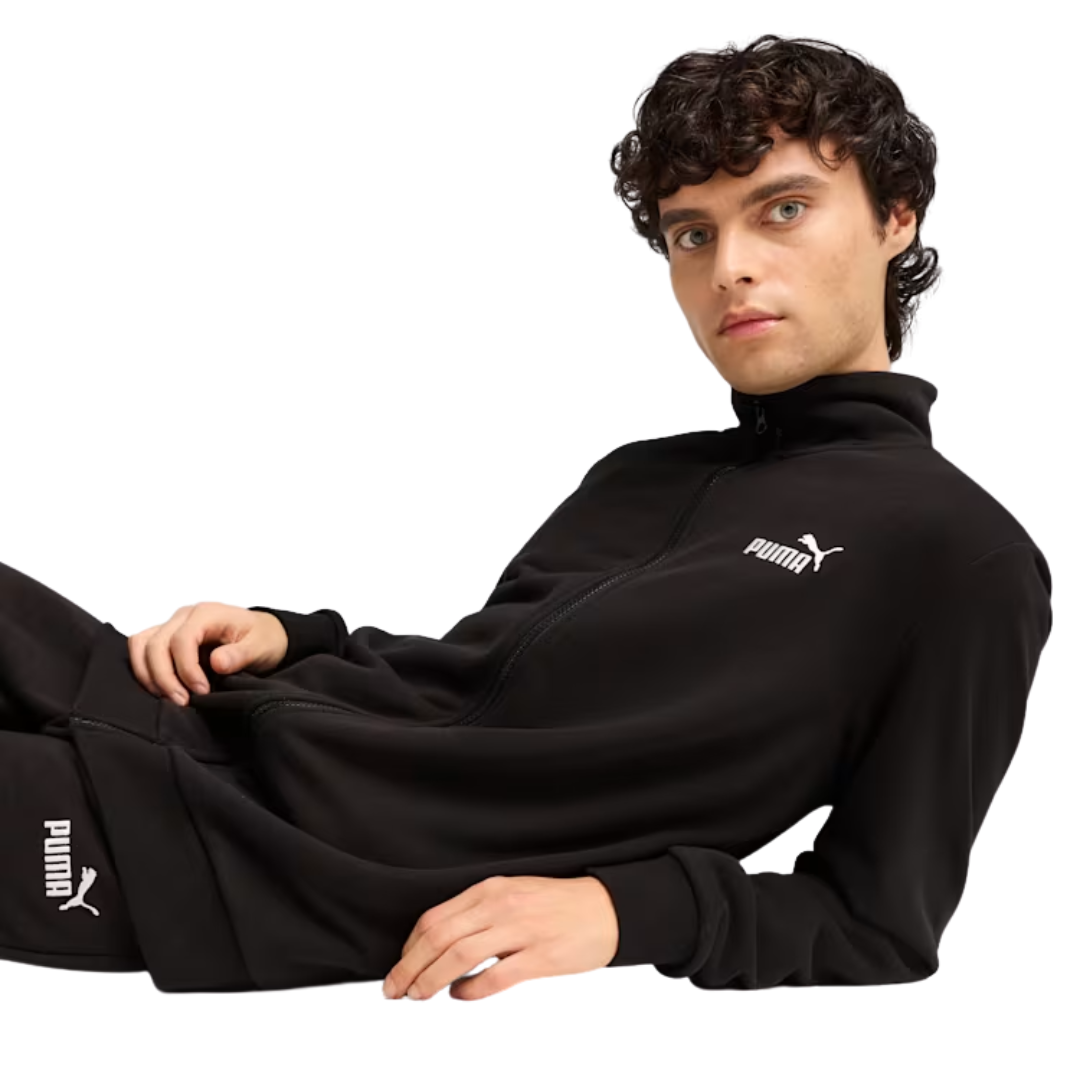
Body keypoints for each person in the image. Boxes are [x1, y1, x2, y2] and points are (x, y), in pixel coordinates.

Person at [0, 34, 1053, 999]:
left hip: (249, 853)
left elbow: (878, 923)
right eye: (692, 233)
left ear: (896, 215)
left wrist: (622, 911)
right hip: (199, 705)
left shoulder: (961, 557)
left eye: (782, 210)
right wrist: (295, 637)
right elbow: (475, 695)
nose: (727, 266)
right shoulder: (640, 476)